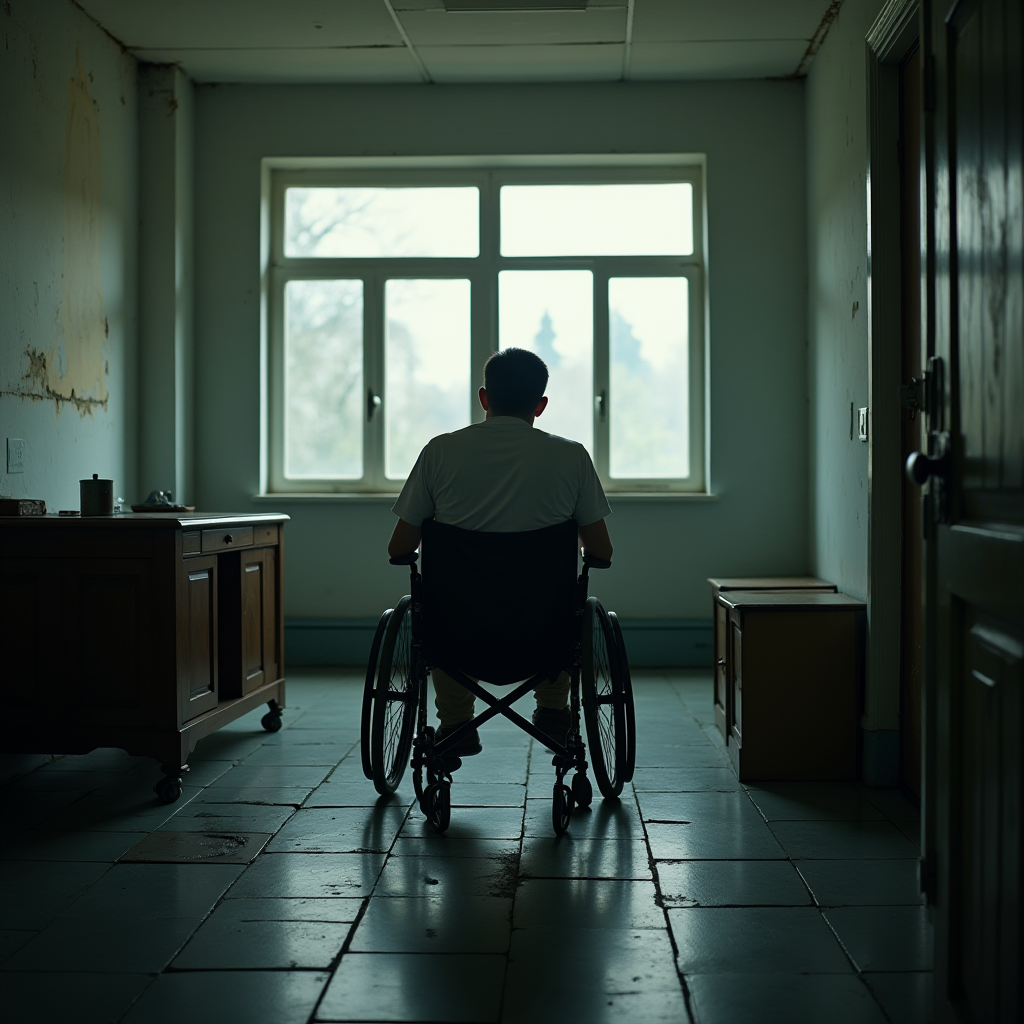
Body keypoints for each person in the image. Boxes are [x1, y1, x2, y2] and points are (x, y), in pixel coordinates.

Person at [388, 347, 613, 757]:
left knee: (439, 608)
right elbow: (600, 550)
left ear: (484, 398)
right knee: (565, 607)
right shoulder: (572, 456)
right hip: (542, 634)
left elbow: (400, 547)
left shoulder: (439, 451)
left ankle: (456, 721)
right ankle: (552, 710)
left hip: (460, 633)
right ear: (540, 406)